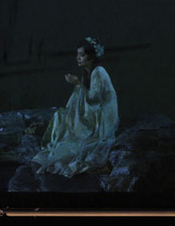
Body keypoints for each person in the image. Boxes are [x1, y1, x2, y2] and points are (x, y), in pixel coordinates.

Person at [32, 37, 119, 178]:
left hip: (103, 117)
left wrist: (78, 84)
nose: (78, 58)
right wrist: (79, 84)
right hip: (94, 111)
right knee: (61, 117)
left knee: (74, 135)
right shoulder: (87, 73)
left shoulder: (99, 71)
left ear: (91, 57)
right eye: (77, 55)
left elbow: (94, 98)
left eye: (82, 55)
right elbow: (85, 98)